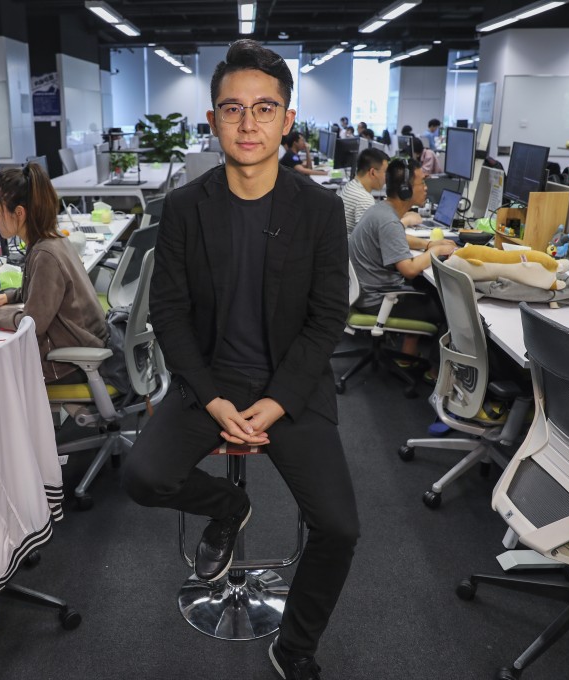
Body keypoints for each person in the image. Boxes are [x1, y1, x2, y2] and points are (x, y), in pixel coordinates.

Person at [121, 39, 358, 680]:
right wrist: (215, 398)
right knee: (142, 476)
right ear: (213, 119)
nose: (248, 124)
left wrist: (279, 401)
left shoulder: (320, 209)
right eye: (233, 109)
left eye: (264, 109)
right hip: (211, 383)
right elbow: (169, 315)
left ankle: (295, 646)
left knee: (339, 527)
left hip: (292, 387)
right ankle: (227, 507)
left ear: (287, 119)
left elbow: (325, 318)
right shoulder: (183, 209)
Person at [0, 164, 108, 383]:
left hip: (70, 364)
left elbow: (32, 324)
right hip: (84, 345)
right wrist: (7, 296)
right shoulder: (53, 239)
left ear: (19, 213)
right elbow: (46, 289)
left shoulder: (45, 253)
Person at [349, 158, 455, 357]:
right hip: (376, 301)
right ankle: (435, 373)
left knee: (428, 289)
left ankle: (408, 355)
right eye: (422, 183)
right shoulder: (388, 221)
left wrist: (427, 244)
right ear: (405, 190)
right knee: (450, 310)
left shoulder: (381, 210)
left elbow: (397, 239)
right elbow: (410, 270)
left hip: (366, 293)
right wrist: (436, 252)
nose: (425, 188)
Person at [339, 147, 388, 234]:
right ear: (373, 172)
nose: (386, 177)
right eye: (385, 172)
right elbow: (372, 239)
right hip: (350, 247)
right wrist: (405, 222)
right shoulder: (364, 198)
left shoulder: (351, 185)